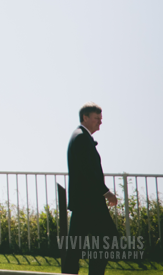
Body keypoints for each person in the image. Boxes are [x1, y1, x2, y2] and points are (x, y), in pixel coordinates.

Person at [63, 102, 119, 275]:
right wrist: (106, 192)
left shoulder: (79, 136)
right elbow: (88, 171)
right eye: (96, 118)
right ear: (85, 117)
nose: (100, 122)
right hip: (89, 202)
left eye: (100, 119)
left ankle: (71, 272)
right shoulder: (81, 138)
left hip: (83, 202)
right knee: (108, 237)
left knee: (76, 245)